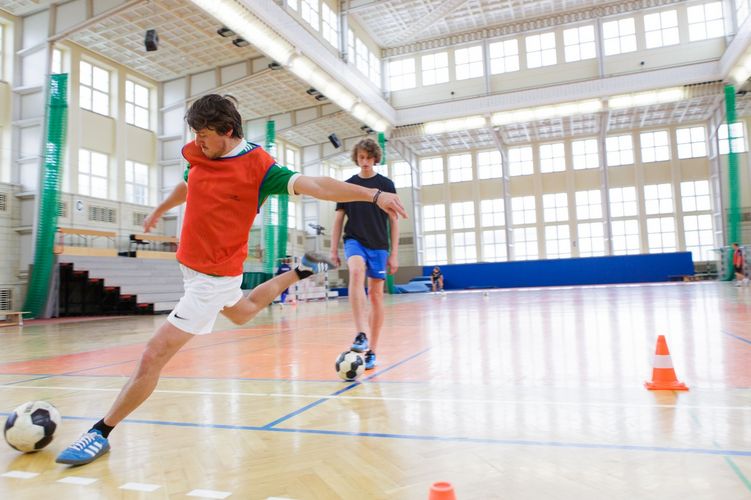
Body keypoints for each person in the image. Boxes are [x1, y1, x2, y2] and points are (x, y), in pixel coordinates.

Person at [56, 95, 407, 466]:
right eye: (195, 134)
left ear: (227, 131)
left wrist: (373, 195)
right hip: (195, 271)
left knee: (152, 356)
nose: (197, 142)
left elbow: (318, 185)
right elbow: (188, 183)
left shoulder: (260, 168)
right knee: (244, 310)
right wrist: (160, 209)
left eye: (204, 135)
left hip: (211, 278)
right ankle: (302, 271)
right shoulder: (200, 153)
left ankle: (101, 432)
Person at [330, 138, 398, 371]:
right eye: (361, 158)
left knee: (377, 295)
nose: (365, 162)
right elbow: (338, 219)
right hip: (354, 240)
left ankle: (372, 350)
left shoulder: (386, 184)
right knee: (356, 271)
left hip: (379, 244)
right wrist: (333, 249)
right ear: (356, 159)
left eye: (369, 158)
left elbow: (394, 221)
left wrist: (394, 253)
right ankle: (361, 333)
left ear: (375, 158)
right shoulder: (347, 185)